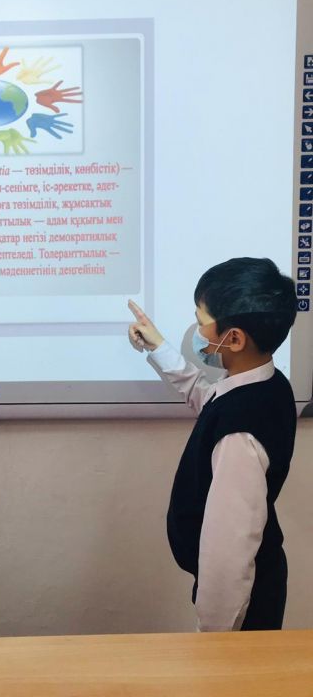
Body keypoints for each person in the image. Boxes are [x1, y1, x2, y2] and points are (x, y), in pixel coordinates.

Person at [128, 257, 298, 631]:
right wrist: (159, 347)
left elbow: (228, 555)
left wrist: (215, 639)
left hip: (241, 605)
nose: (196, 329)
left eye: (201, 320)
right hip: (256, 583)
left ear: (234, 338)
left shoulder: (239, 435)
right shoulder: (266, 384)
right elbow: (208, 398)